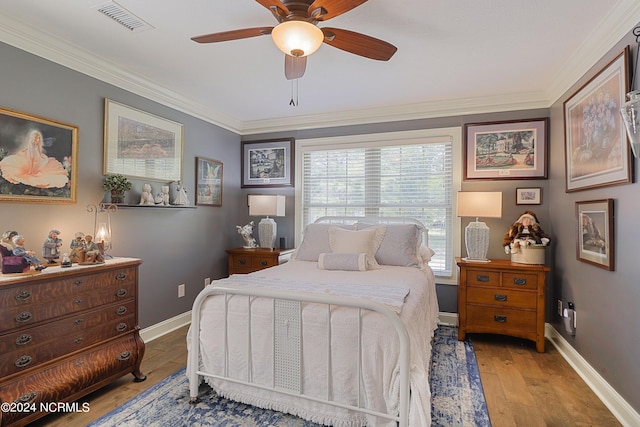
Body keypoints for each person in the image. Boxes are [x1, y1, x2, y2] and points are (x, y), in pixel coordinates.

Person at [0, 129, 69, 188]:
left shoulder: (37, 148)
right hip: (28, 166)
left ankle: (33, 173)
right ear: (31, 138)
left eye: (38, 138)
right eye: (35, 138)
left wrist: (40, 158)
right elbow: (28, 154)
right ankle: (30, 172)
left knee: (53, 174)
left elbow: (38, 156)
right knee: (15, 170)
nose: (36, 140)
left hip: (36, 167)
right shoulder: (29, 148)